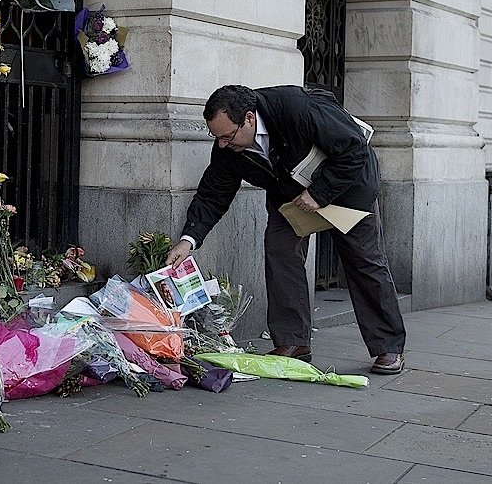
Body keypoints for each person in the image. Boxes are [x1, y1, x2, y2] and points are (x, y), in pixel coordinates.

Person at [165, 84, 406, 374]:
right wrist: (188, 239)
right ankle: (293, 342)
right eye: (216, 137)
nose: (223, 145)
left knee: (364, 262)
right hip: (291, 198)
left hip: (348, 188)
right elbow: (213, 193)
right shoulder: (228, 148)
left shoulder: (298, 107)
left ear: (249, 119)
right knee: (280, 252)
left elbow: (354, 148)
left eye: (227, 136)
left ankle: (388, 347)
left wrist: (319, 193)